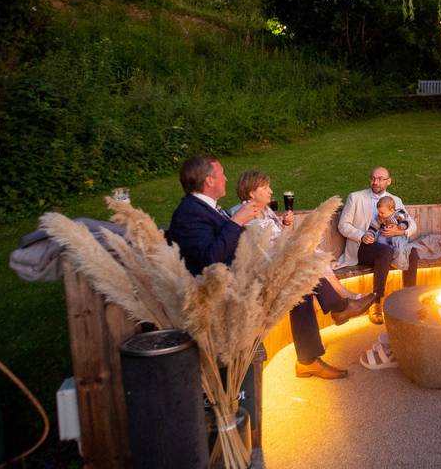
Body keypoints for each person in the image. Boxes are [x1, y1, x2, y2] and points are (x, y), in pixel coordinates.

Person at [168, 155, 372, 380]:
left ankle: (311, 356)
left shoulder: (205, 208)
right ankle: (337, 312)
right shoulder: (190, 213)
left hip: (242, 274)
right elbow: (209, 259)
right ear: (209, 181)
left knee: (298, 280)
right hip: (226, 291)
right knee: (298, 270)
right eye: (222, 174)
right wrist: (237, 221)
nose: (226, 178)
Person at [229, 169, 370, 304]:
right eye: (265, 188)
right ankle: (343, 300)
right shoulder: (240, 213)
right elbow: (261, 245)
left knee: (312, 254)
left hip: (282, 255)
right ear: (252, 192)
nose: (271, 191)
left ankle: (341, 302)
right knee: (310, 257)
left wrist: (284, 223)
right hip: (268, 265)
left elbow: (274, 235)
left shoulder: (265, 209)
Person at [337, 166, 419, 324]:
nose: (376, 182)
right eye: (373, 178)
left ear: (389, 181)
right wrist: (362, 236)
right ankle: (376, 302)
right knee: (385, 251)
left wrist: (399, 231)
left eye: (381, 179)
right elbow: (343, 225)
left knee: (412, 252)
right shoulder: (355, 197)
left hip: (390, 242)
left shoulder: (395, 201)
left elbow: (411, 224)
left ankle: (409, 298)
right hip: (362, 247)